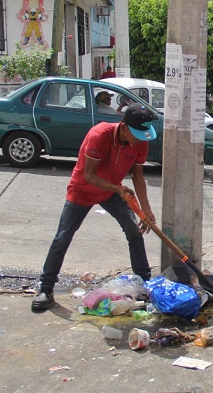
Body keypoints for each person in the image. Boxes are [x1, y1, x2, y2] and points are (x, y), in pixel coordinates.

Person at [31, 103, 158, 312]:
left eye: (144, 134)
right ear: (124, 127)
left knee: (134, 233)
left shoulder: (140, 142)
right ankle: (45, 289)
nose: (140, 139)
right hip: (83, 191)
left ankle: (144, 286)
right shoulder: (99, 135)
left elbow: (138, 176)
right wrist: (117, 189)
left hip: (112, 192)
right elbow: (89, 176)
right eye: (136, 133)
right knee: (63, 237)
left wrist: (145, 210)